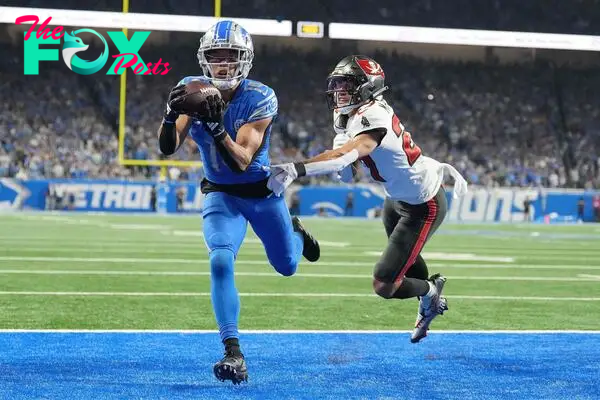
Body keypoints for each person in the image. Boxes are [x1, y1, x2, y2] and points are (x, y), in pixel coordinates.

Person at [157, 20, 320, 384]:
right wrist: (170, 115)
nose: (224, 65)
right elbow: (167, 148)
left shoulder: (260, 96)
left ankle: (295, 233)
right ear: (205, 59)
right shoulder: (192, 88)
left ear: (245, 60)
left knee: (288, 267)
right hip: (221, 193)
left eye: (231, 57)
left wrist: (216, 128)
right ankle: (233, 352)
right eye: (216, 56)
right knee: (219, 260)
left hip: (261, 194)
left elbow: (242, 160)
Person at [266, 55, 468, 343]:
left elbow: (343, 157)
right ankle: (429, 294)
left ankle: (430, 293)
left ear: (367, 87)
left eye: (346, 85)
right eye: (337, 85)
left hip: (424, 203)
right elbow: (348, 169)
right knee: (407, 266)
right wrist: (342, 162)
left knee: (384, 283)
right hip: (396, 199)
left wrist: (296, 169)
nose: (339, 92)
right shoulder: (350, 114)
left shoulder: (372, 116)